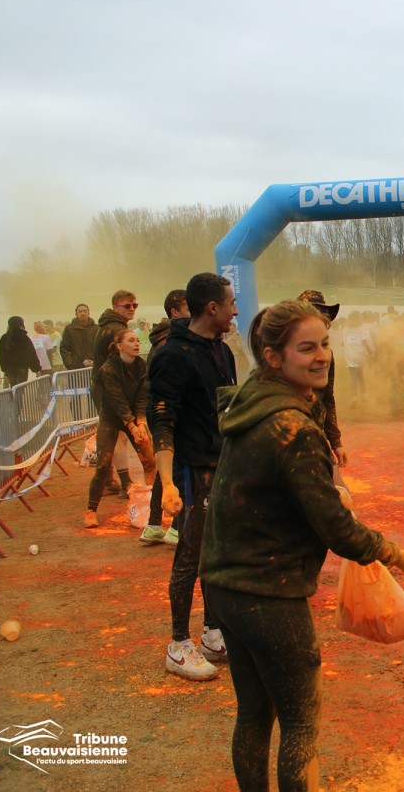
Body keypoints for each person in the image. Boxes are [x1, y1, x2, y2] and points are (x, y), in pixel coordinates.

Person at [199, 299, 404, 791]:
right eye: (306, 348)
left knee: (254, 713)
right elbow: (337, 528)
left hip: (224, 585)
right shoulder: (291, 428)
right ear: (273, 357)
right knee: (301, 725)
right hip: (267, 592)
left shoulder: (251, 406)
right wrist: (396, 555)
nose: (322, 355)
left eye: (325, 344)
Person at [149, 272, 238, 682]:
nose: (235, 310)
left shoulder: (223, 351)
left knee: (217, 553)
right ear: (212, 307)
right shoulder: (172, 355)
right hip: (191, 471)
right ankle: (179, 644)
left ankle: (212, 633)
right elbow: (162, 421)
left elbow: (229, 410)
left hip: (222, 466)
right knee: (191, 555)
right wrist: (168, 482)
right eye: (231, 303)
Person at [84, 330, 157, 528]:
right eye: (131, 340)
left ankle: (155, 508)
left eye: (137, 340)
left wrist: (141, 422)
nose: (136, 344)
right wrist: (131, 425)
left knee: (150, 461)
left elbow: (142, 396)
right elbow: (117, 401)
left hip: (134, 417)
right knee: (103, 465)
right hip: (111, 418)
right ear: (119, 346)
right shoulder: (107, 369)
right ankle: (91, 510)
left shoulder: (141, 365)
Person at [139, 289, 189, 547]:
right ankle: (177, 527)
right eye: (189, 307)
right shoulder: (169, 345)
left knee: (165, 469)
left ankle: (155, 525)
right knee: (178, 467)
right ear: (175, 312)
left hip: (161, 413)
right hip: (168, 415)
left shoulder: (165, 341)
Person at [93, 291, 142, 495]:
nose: (131, 309)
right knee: (119, 436)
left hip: (103, 387)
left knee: (112, 437)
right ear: (115, 308)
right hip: (110, 389)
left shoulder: (107, 325)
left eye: (134, 305)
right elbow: (118, 365)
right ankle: (125, 483)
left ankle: (109, 480)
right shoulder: (116, 330)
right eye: (126, 306)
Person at [296, 291, 347, 467]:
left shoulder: (327, 355)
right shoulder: (283, 353)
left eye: (322, 319)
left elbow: (327, 398)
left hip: (317, 433)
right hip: (291, 436)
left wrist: (335, 441)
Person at [0, 316, 40, 387]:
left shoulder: (4, 337)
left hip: (10, 368)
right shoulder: (24, 337)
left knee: (13, 388)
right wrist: (36, 369)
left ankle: (15, 395)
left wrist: (4, 368)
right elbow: (31, 353)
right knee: (20, 389)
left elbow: (2, 354)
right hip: (22, 367)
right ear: (21, 324)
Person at [59, 304, 98, 370]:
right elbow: (64, 349)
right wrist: (70, 365)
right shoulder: (69, 329)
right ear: (76, 314)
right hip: (75, 368)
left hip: (94, 367)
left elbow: (101, 348)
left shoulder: (96, 328)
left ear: (89, 313)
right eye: (80, 311)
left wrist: (97, 362)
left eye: (85, 311)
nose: (83, 313)